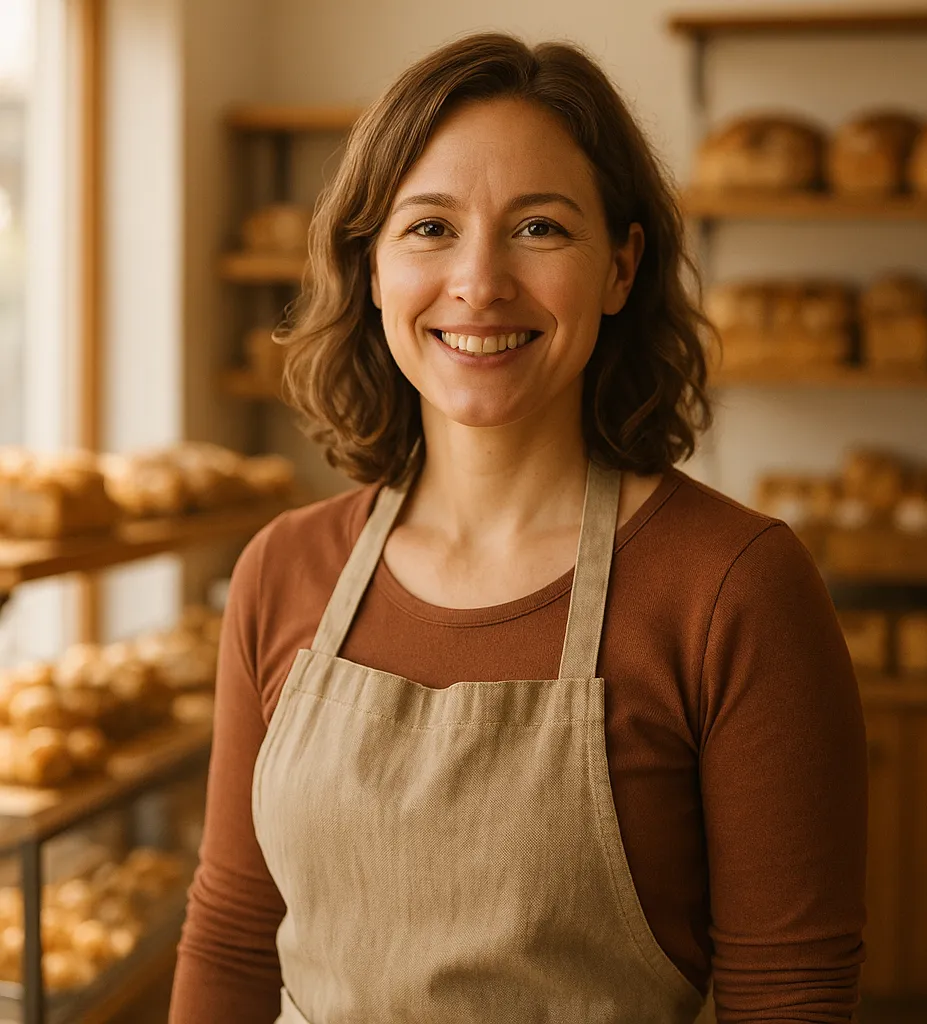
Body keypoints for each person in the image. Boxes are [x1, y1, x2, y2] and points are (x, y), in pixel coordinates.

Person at [169, 31, 867, 1024]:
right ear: (370, 269)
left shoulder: (734, 587)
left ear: (620, 269)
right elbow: (235, 935)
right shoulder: (285, 569)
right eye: (429, 229)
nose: (479, 281)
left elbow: (788, 999)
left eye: (539, 228)